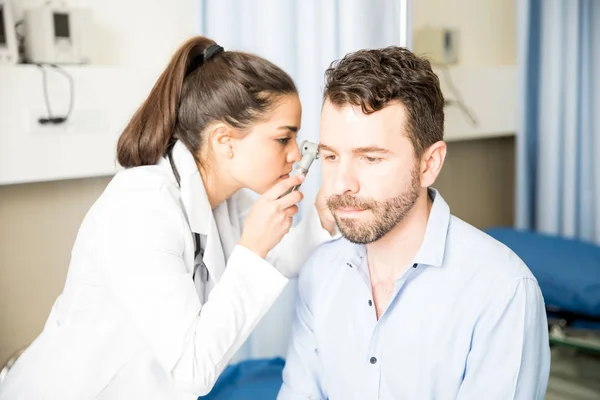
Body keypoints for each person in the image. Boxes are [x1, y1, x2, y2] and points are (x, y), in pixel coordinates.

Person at [0, 36, 337, 400]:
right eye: (283, 139)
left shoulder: (227, 199)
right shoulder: (139, 209)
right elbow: (192, 371)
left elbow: (279, 258)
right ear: (225, 140)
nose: (294, 155)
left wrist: (326, 215)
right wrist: (252, 246)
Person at [279, 46, 550, 399]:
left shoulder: (502, 292)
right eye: (330, 156)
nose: (341, 182)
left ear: (429, 164)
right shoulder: (319, 273)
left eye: (370, 158)